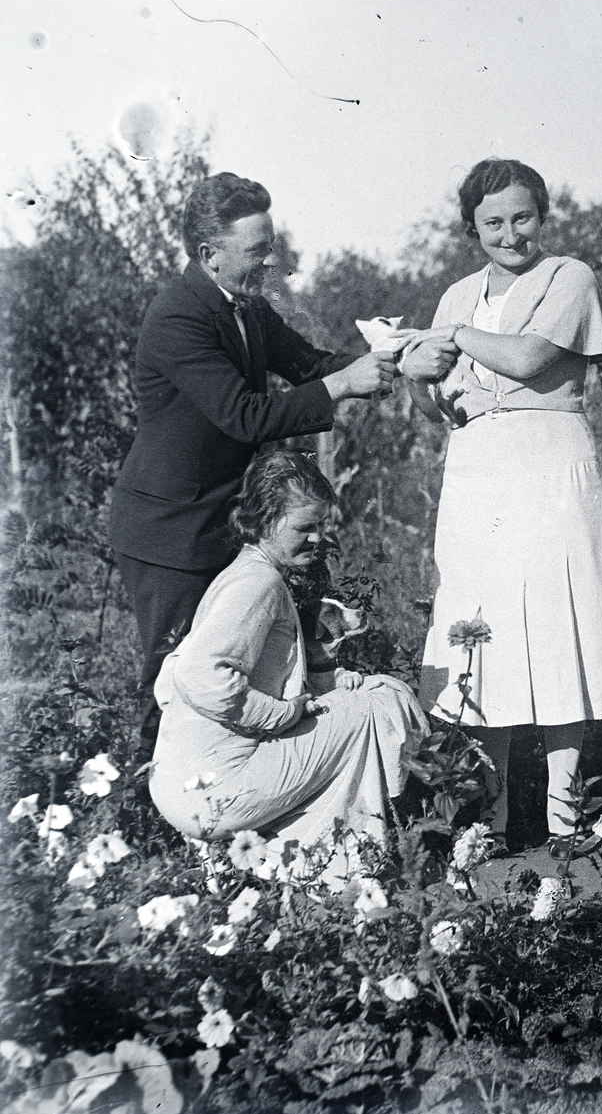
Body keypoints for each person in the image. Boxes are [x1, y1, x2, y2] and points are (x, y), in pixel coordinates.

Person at [394, 159, 602, 857]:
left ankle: (566, 816)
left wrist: (450, 340)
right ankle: (492, 817)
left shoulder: (569, 276)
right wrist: (418, 374)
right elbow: (436, 404)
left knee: (559, 626)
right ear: (471, 227)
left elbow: (530, 359)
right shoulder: (456, 294)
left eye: (522, 217)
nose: (510, 233)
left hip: (548, 460)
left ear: (543, 215)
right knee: (484, 634)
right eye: (493, 221)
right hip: (477, 468)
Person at [110, 173, 397, 757]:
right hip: (170, 532)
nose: (270, 262)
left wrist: (390, 361)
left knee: (236, 665)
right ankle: (151, 822)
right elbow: (243, 416)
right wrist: (344, 384)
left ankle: (223, 803)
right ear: (209, 254)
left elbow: (307, 363)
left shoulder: (245, 307)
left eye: (271, 247)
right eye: (257, 251)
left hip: (219, 521)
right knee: (173, 680)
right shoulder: (178, 317)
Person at [148, 450, 426, 864]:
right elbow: (198, 673)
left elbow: (168, 681)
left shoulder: (242, 573)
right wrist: (281, 715)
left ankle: (318, 854)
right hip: (213, 792)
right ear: (265, 520)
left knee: (352, 701)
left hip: (178, 785)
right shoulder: (257, 583)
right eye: (305, 527)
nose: (317, 538)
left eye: (321, 525)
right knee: (378, 700)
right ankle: (341, 860)